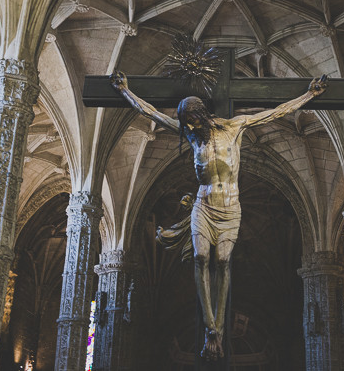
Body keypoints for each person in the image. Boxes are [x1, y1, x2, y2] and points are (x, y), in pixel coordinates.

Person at [110, 71, 327, 360]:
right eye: (185, 121)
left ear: (200, 114)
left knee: (223, 261)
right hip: (203, 203)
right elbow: (150, 111)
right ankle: (210, 327)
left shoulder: (234, 127)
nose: (187, 125)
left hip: (229, 208)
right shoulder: (189, 134)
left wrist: (309, 95)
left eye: (190, 119)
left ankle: (219, 332)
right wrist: (126, 91)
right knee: (200, 259)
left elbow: (276, 113)